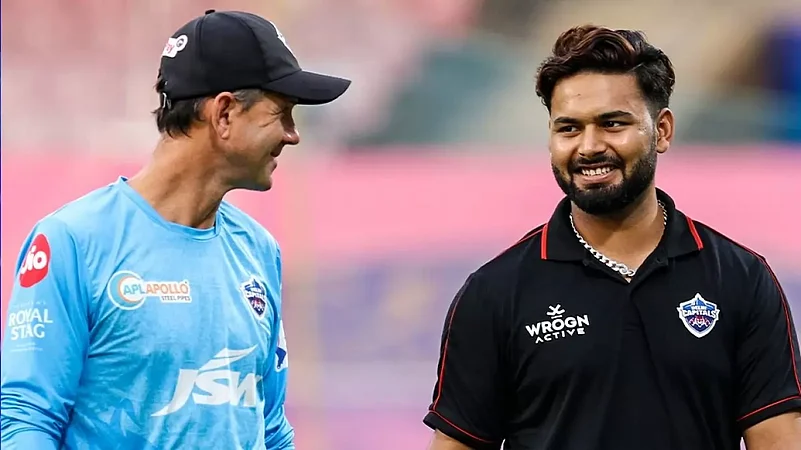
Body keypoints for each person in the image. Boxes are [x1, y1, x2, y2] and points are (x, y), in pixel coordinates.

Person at [423, 25, 801, 450]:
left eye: (612, 124)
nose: (589, 146)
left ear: (662, 130)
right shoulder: (494, 292)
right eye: (569, 128)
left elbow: (779, 440)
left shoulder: (740, 278)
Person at [1, 9, 350, 450]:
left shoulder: (259, 249)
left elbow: (272, 429)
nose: (292, 135)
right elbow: (27, 419)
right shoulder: (72, 241)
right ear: (224, 113)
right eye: (281, 113)